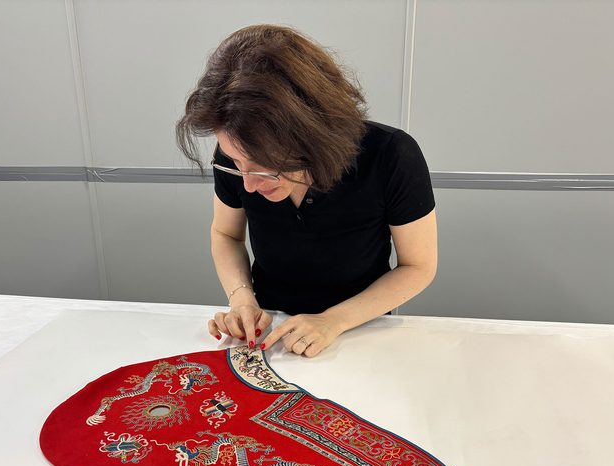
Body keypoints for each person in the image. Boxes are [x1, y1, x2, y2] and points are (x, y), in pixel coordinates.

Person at [176, 24, 437, 358]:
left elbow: (418, 266)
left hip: (360, 328)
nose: (248, 184)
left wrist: (332, 321)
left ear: (312, 138)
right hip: (271, 330)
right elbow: (226, 234)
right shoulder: (238, 156)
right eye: (235, 162)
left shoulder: (390, 155)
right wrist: (242, 298)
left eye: (262, 167)